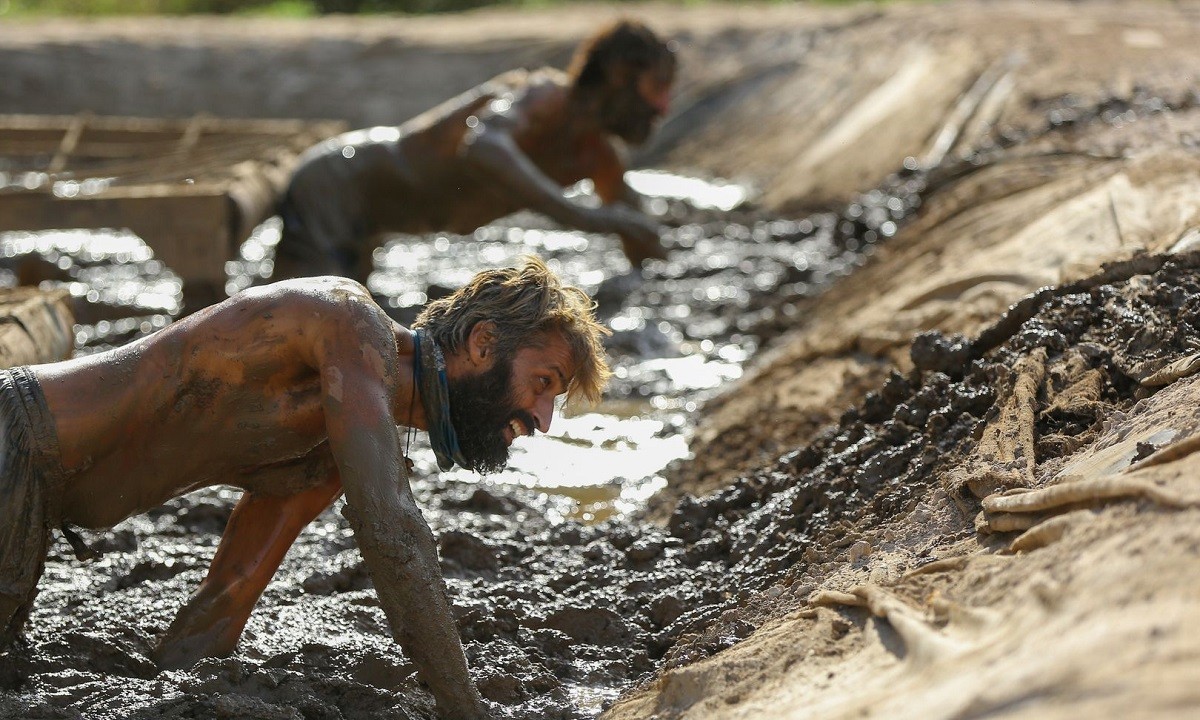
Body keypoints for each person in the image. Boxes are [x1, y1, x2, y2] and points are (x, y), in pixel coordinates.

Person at [0, 256, 610, 720]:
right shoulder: (343, 318)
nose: (543, 419)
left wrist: (174, 685)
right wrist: (465, 709)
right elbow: (393, 535)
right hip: (14, 437)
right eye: (542, 383)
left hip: (32, 503)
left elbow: (224, 600)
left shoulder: (327, 455)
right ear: (482, 345)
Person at [272, 19, 677, 284]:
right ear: (620, 75)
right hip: (334, 183)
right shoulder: (539, 97)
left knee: (341, 334)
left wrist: (652, 265)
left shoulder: (597, 158)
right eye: (658, 87)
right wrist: (580, 215)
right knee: (296, 329)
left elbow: (639, 239)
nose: (663, 108)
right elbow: (482, 144)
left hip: (370, 219)